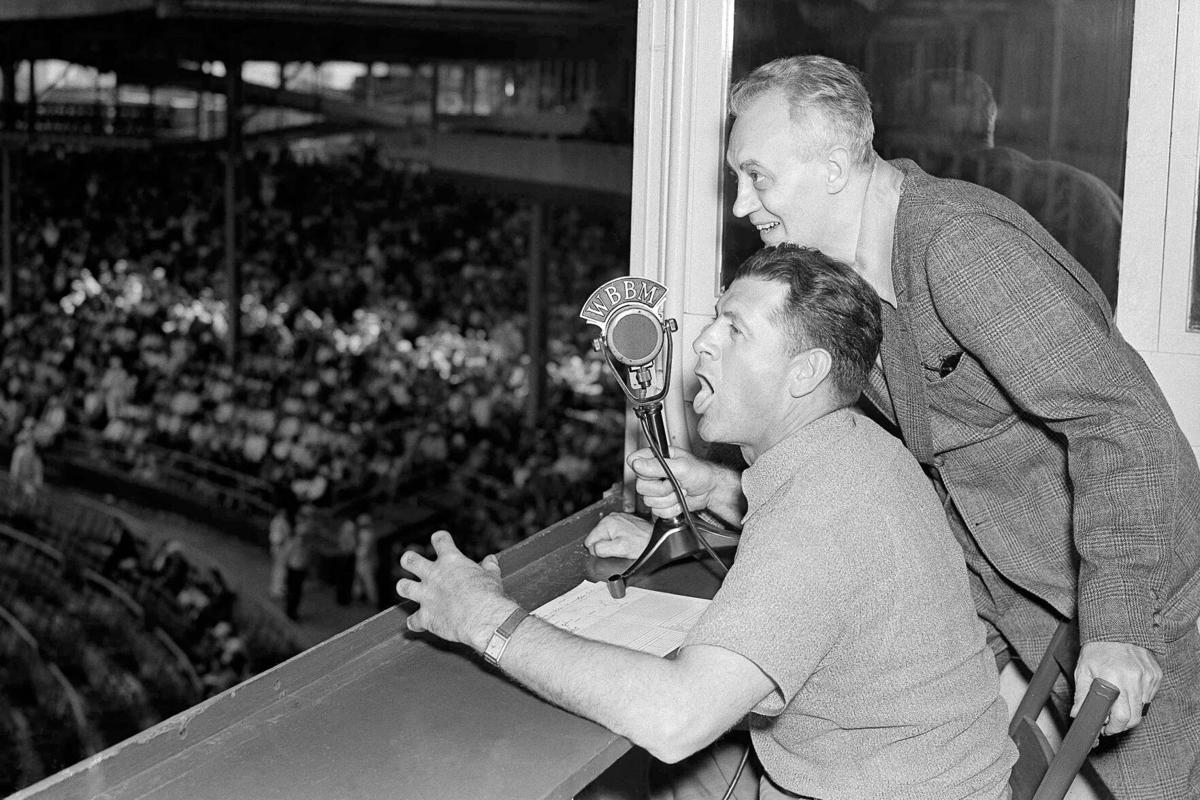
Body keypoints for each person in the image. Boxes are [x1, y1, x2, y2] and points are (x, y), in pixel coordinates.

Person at [608, 54, 1200, 799]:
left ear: (832, 164)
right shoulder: (858, 281)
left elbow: (1120, 421)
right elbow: (890, 476)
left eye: (756, 176)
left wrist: (1118, 623)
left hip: (1142, 592)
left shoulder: (959, 248)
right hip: (1023, 597)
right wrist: (728, 497)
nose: (739, 205)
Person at [398, 245, 1016, 800]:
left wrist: (485, 619)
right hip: (911, 765)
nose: (702, 343)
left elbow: (676, 718)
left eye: (736, 330)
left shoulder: (823, 510)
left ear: (807, 373)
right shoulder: (855, 449)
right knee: (672, 779)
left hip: (876, 789)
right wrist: (716, 494)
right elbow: (827, 581)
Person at [882, 68, 1122, 309]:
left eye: (903, 123)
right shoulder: (1085, 188)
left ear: (934, 131)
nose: (893, 141)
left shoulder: (948, 204)